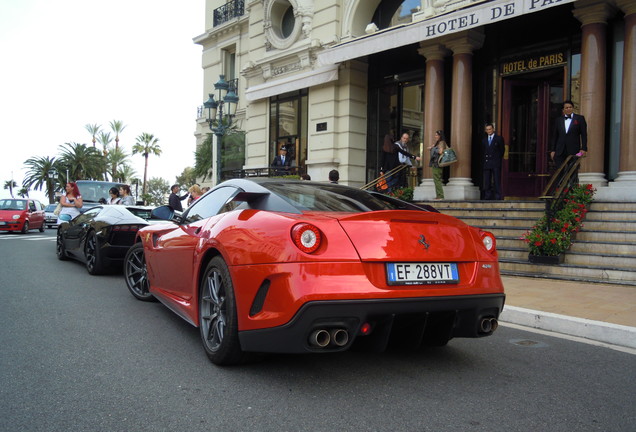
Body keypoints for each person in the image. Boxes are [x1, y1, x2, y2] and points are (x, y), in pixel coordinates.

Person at [550, 100, 588, 171]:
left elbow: (584, 134)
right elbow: (555, 136)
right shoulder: (558, 120)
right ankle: (561, 182)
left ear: (573, 108)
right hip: (560, 150)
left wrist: (583, 148)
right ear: (563, 110)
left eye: (570, 107)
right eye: (566, 108)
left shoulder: (580, 118)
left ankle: (572, 182)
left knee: (573, 171)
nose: (569, 109)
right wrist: (553, 150)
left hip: (574, 150)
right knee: (559, 171)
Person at [482, 123, 505, 200]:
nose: (489, 131)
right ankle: (487, 196)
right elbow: (483, 151)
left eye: (490, 129)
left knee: (496, 180)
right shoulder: (484, 140)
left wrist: (498, 159)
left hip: (496, 162)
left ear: (493, 129)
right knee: (487, 180)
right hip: (487, 163)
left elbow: (502, 150)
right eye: (487, 129)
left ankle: (497, 196)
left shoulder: (499, 138)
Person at [428, 130, 448, 200]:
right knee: (436, 180)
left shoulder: (442, 143)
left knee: (437, 180)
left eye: (436, 135)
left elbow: (440, 152)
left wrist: (433, 148)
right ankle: (438, 195)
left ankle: (440, 196)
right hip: (435, 163)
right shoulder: (438, 143)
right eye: (435, 135)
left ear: (440, 136)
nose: (435, 136)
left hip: (437, 163)